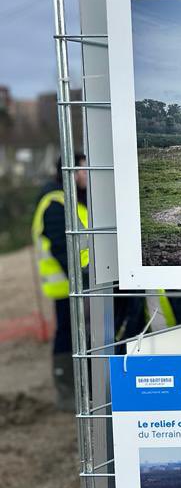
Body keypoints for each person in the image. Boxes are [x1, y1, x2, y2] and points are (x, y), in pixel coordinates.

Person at [31, 154, 89, 411]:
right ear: (70, 172)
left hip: (82, 284)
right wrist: (82, 282)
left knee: (79, 335)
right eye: (84, 169)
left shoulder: (75, 199)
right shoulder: (55, 203)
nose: (88, 174)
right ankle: (66, 392)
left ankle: (81, 388)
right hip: (68, 286)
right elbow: (62, 250)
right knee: (67, 334)